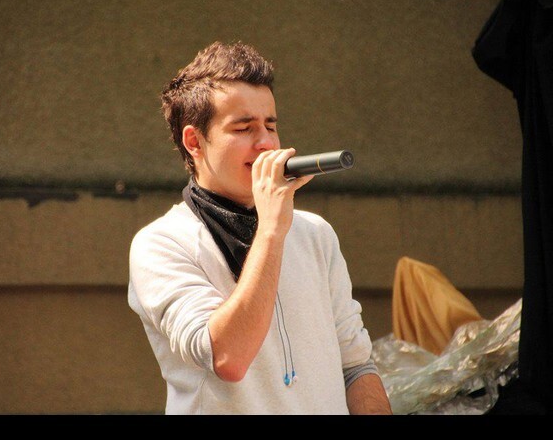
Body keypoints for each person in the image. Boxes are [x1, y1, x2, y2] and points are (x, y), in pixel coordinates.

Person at [128, 41, 392, 415]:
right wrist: (270, 230)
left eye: (271, 125)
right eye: (244, 127)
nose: (266, 143)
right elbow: (228, 359)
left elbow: (356, 364)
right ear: (194, 142)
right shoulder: (161, 244)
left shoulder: (315, 234)